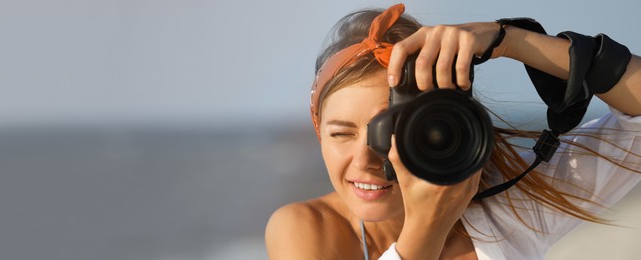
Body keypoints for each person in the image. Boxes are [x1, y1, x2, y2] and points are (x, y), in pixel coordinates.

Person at [265, 4, 641, 259]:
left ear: (439, 127)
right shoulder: (306, 229)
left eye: (389, 129)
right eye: (340, 134)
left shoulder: (507, 209)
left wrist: (509, 40)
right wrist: (426, 229)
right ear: (318, 131)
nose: (365, 160)